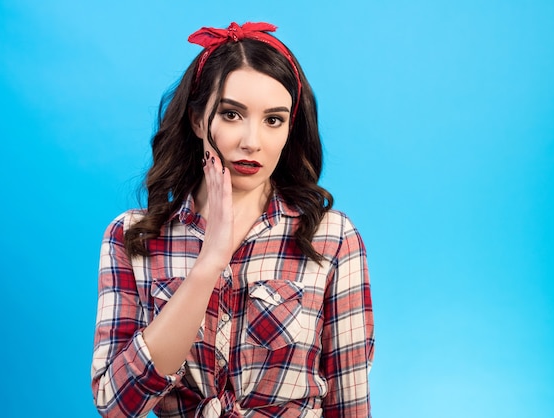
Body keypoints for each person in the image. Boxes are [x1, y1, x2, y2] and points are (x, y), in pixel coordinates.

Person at [91, 22, 374, 418]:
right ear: (196, 120)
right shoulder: (131, 237)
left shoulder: (333, 238)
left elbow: (350, 403)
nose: (251, 141)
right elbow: (116, 403)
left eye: (273, 120)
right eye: (231, 114)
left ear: (290, 128)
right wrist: (208, 265)